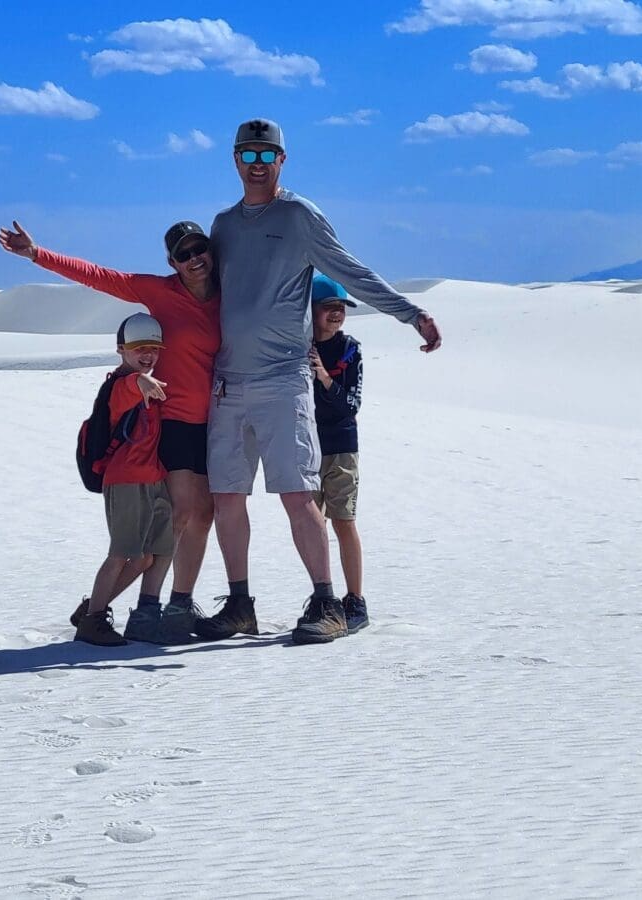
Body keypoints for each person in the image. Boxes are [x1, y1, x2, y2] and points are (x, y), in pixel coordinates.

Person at [196, 117, 442, 646]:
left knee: (297, 493)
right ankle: (239, 605)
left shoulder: (300, 216)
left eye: (267, 155)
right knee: (227, 497)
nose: (257, 165)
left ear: (282, 160)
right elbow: (207, 294)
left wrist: (411, 313)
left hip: (283, 380)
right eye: (248, 155)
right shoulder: (223, 225)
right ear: (234, 159)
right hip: (229, 383)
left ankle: (326, 602)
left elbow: (351, 271)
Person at [0, 220, 220, 643]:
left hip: (213, 422)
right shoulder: (160, 291)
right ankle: (148, 608)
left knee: (204, 514)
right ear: (172, 262)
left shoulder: (227, 296)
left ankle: (176, 604)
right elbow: (101, 277)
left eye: (199, 249)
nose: (194, 259)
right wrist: (38, 254)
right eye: (184, 254)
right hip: (171, 421)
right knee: (178, 515)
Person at [69, 313, 173, 646]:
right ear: (121, 350)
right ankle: (93, 623)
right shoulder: (120, 386)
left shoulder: (143, 382)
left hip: (152, 480)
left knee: (144, 558)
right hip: (126, 481)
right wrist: (142, 381)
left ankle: (92, 609)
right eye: (139, 348)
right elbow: (131, 387)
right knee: (120, 554)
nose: (148, 355)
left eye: (153, 349)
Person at [308, 275, 367, 634]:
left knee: (344, 521)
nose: (337, 314)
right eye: (329, 307)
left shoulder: (349, 349)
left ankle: (355, 600)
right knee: (312, 525)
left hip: (341, 446)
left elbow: (351, 404)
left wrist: (325, 378)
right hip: (306, 445)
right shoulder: (298, 345)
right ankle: (323, 598)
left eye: (341, 308)